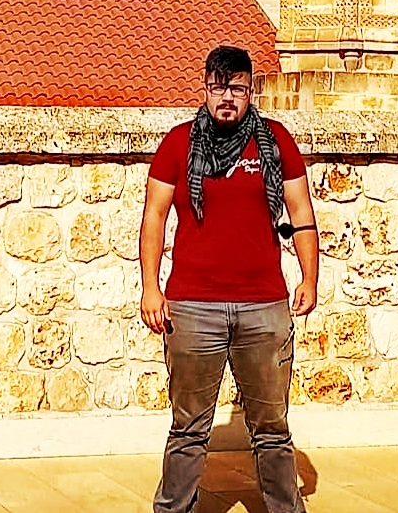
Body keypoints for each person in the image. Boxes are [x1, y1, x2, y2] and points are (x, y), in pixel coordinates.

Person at [139, 45, 319, 513]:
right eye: (218, 87)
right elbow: (154, 216)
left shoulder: (276, 142)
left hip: (264, 306)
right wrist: (150, 287)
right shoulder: (178, 144)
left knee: (272, 429)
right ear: (205, 89)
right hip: (192, 307)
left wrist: (309, 277)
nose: (226, 98)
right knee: (188, 429)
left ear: (249, 91)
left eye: (236, 89)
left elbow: (301, 212)